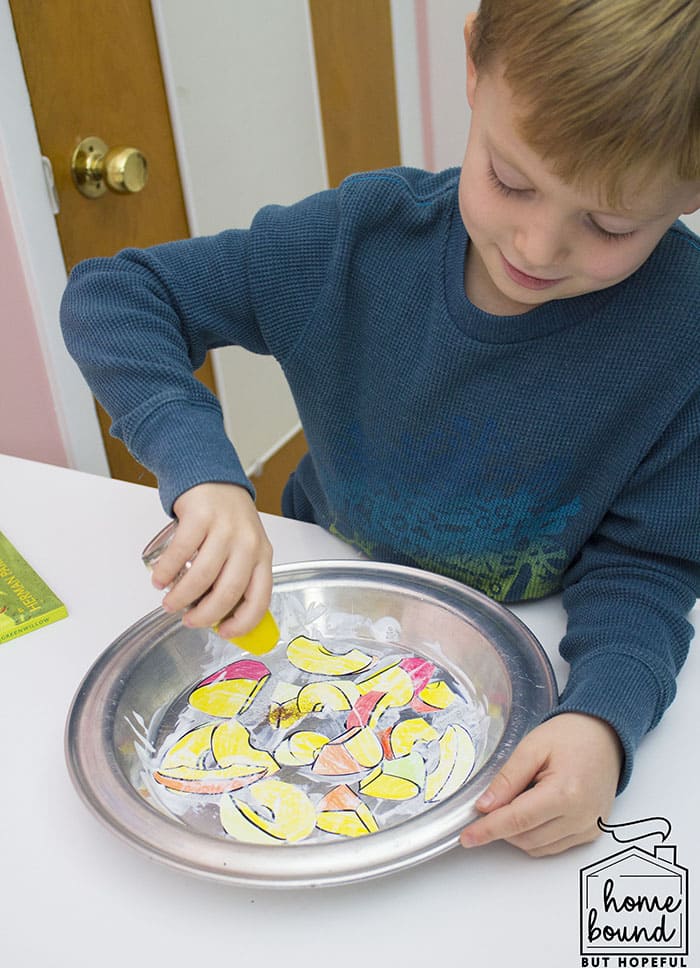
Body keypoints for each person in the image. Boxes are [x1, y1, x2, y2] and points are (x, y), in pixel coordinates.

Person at [60, 0, 700, 857]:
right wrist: (201, 471)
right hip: (322, 598)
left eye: (612, 225)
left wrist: (604, 722)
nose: (539, 247)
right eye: (511, 179)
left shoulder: (681, 336)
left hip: (539, 642)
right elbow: (118, 296)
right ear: (474, 64)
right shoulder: (354, 245)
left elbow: (651, 567)